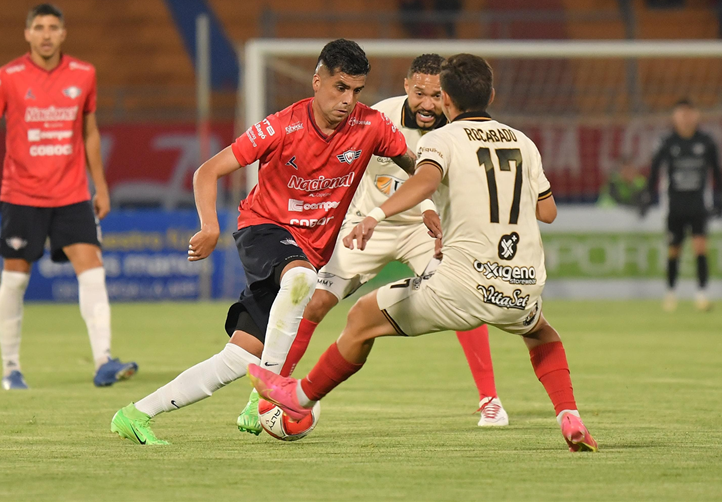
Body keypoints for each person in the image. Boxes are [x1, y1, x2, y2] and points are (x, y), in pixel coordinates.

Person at [248, 53, 599, 453]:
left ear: (447, 98)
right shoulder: (523, 142)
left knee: (362, 317)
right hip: (521, 283)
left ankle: (300, 397)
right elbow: (547, 212)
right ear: (492, 95)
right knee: (541, 333)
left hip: (456, 275)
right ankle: (569, 414)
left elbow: (423, 182)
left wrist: (379, 213)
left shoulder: (442, 139)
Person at [110, 39, 414, 445]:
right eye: (340, 87)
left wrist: (433, 204)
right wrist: (209, 226)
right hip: (265, 230)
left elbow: (421, 168)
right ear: (317, 81)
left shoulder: (371, 126)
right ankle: (270, 393)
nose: (348, 100)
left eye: (356, 91)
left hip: (307, 252)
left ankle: (134, 414)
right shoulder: (281, 126)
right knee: (302, 281)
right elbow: (207, 171)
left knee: (238, 357)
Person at [235, 53, 508, 436]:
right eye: (419, 93)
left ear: (446, 96)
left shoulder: (457, 126)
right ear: (406, 86)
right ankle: (264, 394)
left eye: (435, 95)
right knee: (313, 302)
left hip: (423, 231)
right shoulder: (377, 117)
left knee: (459, 297)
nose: (427, 104)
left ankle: (490, 401)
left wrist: (440, 212)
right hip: (367, 225)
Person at [0, 3, 137, 390]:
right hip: (22, 195)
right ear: (27, 34)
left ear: (64, 34)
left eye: (53, 27)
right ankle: (11, 368)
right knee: (14, 280)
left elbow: (89, 132)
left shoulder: (84, 74)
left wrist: (101, 186)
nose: (46, 34)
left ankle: (103, 361)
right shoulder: (7, 77)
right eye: (39, 27)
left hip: (72, 193)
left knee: (92, 268)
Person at [643, 99, 722, 312]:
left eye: (689, 114)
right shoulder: (667, 142)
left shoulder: (706, 142)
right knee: (674, 250)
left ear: (696, 116)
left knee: (700, 248)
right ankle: (670, 293)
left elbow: (717, 171)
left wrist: (719, 198)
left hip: (698, 204)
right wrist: (648, 195)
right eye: (681, 114)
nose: (685, 118)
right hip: (674, 206)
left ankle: (702, 295)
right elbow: (654, 170)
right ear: (674, 117)